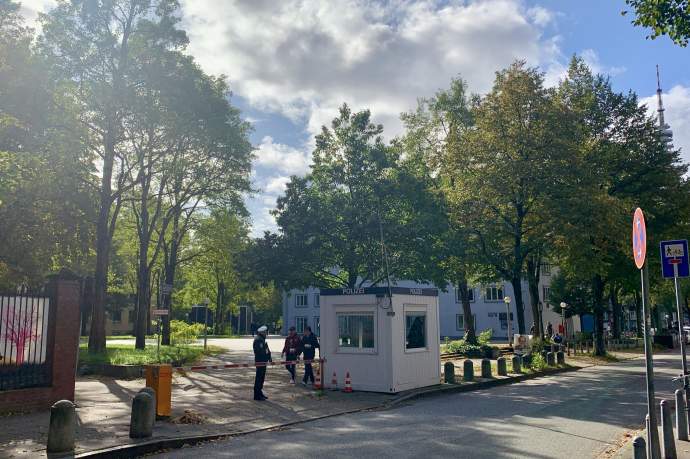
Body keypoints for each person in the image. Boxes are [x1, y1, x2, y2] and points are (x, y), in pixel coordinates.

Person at [253, 325, 271, 401]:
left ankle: (260, 392)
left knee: (261, 378)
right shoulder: (258, 340)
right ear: (262, 332)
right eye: (265, 332)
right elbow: (260, 351)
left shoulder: (262, 339)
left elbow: (266, 350)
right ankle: (257, 395)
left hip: (263, 362)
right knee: (259, 378)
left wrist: (269, 357)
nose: (266, 334)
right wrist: (266, 356)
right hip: (260, 361)